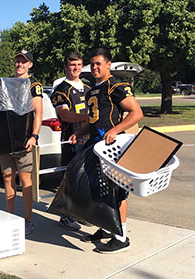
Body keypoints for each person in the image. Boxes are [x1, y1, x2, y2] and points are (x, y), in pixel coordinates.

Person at [70, 48, 143, 253]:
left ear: (108, 65)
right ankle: (105, 227)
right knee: (98, 188)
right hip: (94, 145)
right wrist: (81, 132)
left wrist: (115, 130)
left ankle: (121, 237)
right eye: (92, 64)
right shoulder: (94, 88)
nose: (94, 67)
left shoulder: (116, 86)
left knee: (117, 191)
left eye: (98, 64)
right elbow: (94, 119)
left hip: (112, 147)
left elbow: (136, 113)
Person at [0, 50, 43, 235]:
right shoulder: (6, 83)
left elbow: (38, 113)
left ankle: (27, 219)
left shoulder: (34, 85)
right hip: (6, 140)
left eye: (23, 62)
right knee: (8, 178)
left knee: (25, 180)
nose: (20, 64)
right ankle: (10, 217)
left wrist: (34, 136)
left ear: (30, 64)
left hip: (24, 141)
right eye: (17, 61)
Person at [50, 51, 90, 231]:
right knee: (70, 177)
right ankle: (66, 214)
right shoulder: (61, 89)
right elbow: (64, 114)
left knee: (86, 177)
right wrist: (88, 118)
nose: (76, 69)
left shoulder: (89, 89)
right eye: (72, 65)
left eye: (79, 65)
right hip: (71, 139)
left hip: (89, 138)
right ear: (66, 67)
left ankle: (80, 212)